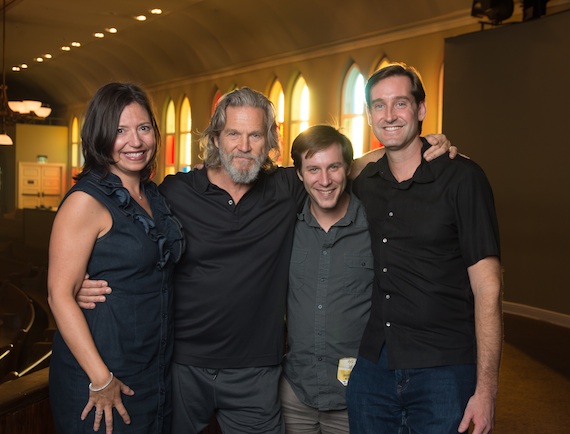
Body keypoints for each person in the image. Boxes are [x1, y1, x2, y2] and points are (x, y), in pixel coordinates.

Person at [76, 87, 454, 434]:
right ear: (216, 139)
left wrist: (420, 146)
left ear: (270, 141)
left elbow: (339, 164)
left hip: (256, 372)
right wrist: (81, 282)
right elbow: (131, 239)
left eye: (255, 135)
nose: (244, 146)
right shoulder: (176, 192)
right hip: (182, 365)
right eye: (233, 135)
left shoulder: (286, 187)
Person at [346, 63, 503, 434]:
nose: (389, 115)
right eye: (379, 106)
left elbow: (489, 290)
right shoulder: (364, 181)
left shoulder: (464, 178)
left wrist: (487, 392)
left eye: (400, 103)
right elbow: (330, 169)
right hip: (373, 367)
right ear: (369, 115)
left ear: (421, 110)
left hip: (444, 369)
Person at [47, 82, 185, 434]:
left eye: (143, 128)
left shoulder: (153, 196)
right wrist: (100, 379)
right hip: (101, 380)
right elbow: (60, 296)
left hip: (151, 372)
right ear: (100, 135)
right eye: (120, 131)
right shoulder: (85, 201)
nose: (135, 142)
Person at [281, 125, 373, 434]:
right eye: (313, 169)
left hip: (357, 395)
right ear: (299, 174)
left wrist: (428, 144)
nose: (324, 180)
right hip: (295, 392)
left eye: (333, 167)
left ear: (349, 168)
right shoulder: (285, 226)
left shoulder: (374, 227)